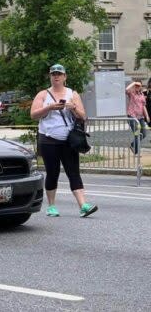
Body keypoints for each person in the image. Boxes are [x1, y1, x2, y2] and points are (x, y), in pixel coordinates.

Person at [30, 64, 98, 218]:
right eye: (53, 74)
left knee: (73, 172)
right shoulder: (43, 94)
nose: (56, 77)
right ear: (50, 77)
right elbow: (33, 114)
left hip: (69, 140)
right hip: (48, 140)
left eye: (59, 74)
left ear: (65, 77)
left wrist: (73, 107)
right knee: (52, 173)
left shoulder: (72, 93)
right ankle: (52, 206)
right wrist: (50, 107)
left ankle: (83, 205)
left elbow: (82, 116)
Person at [126, 81, 149, 154]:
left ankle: (133, 145)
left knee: (144, 134)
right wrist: (134, 83)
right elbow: (126, 89)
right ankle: (136, 152)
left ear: (141, 87)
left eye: (139, 86)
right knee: (137, 133)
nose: (137, 87)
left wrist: (147, 116)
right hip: (132, 116)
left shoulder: (142, 95)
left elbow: (144, 106)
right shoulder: (131, 93)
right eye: (136, 85)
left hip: (141, 117)